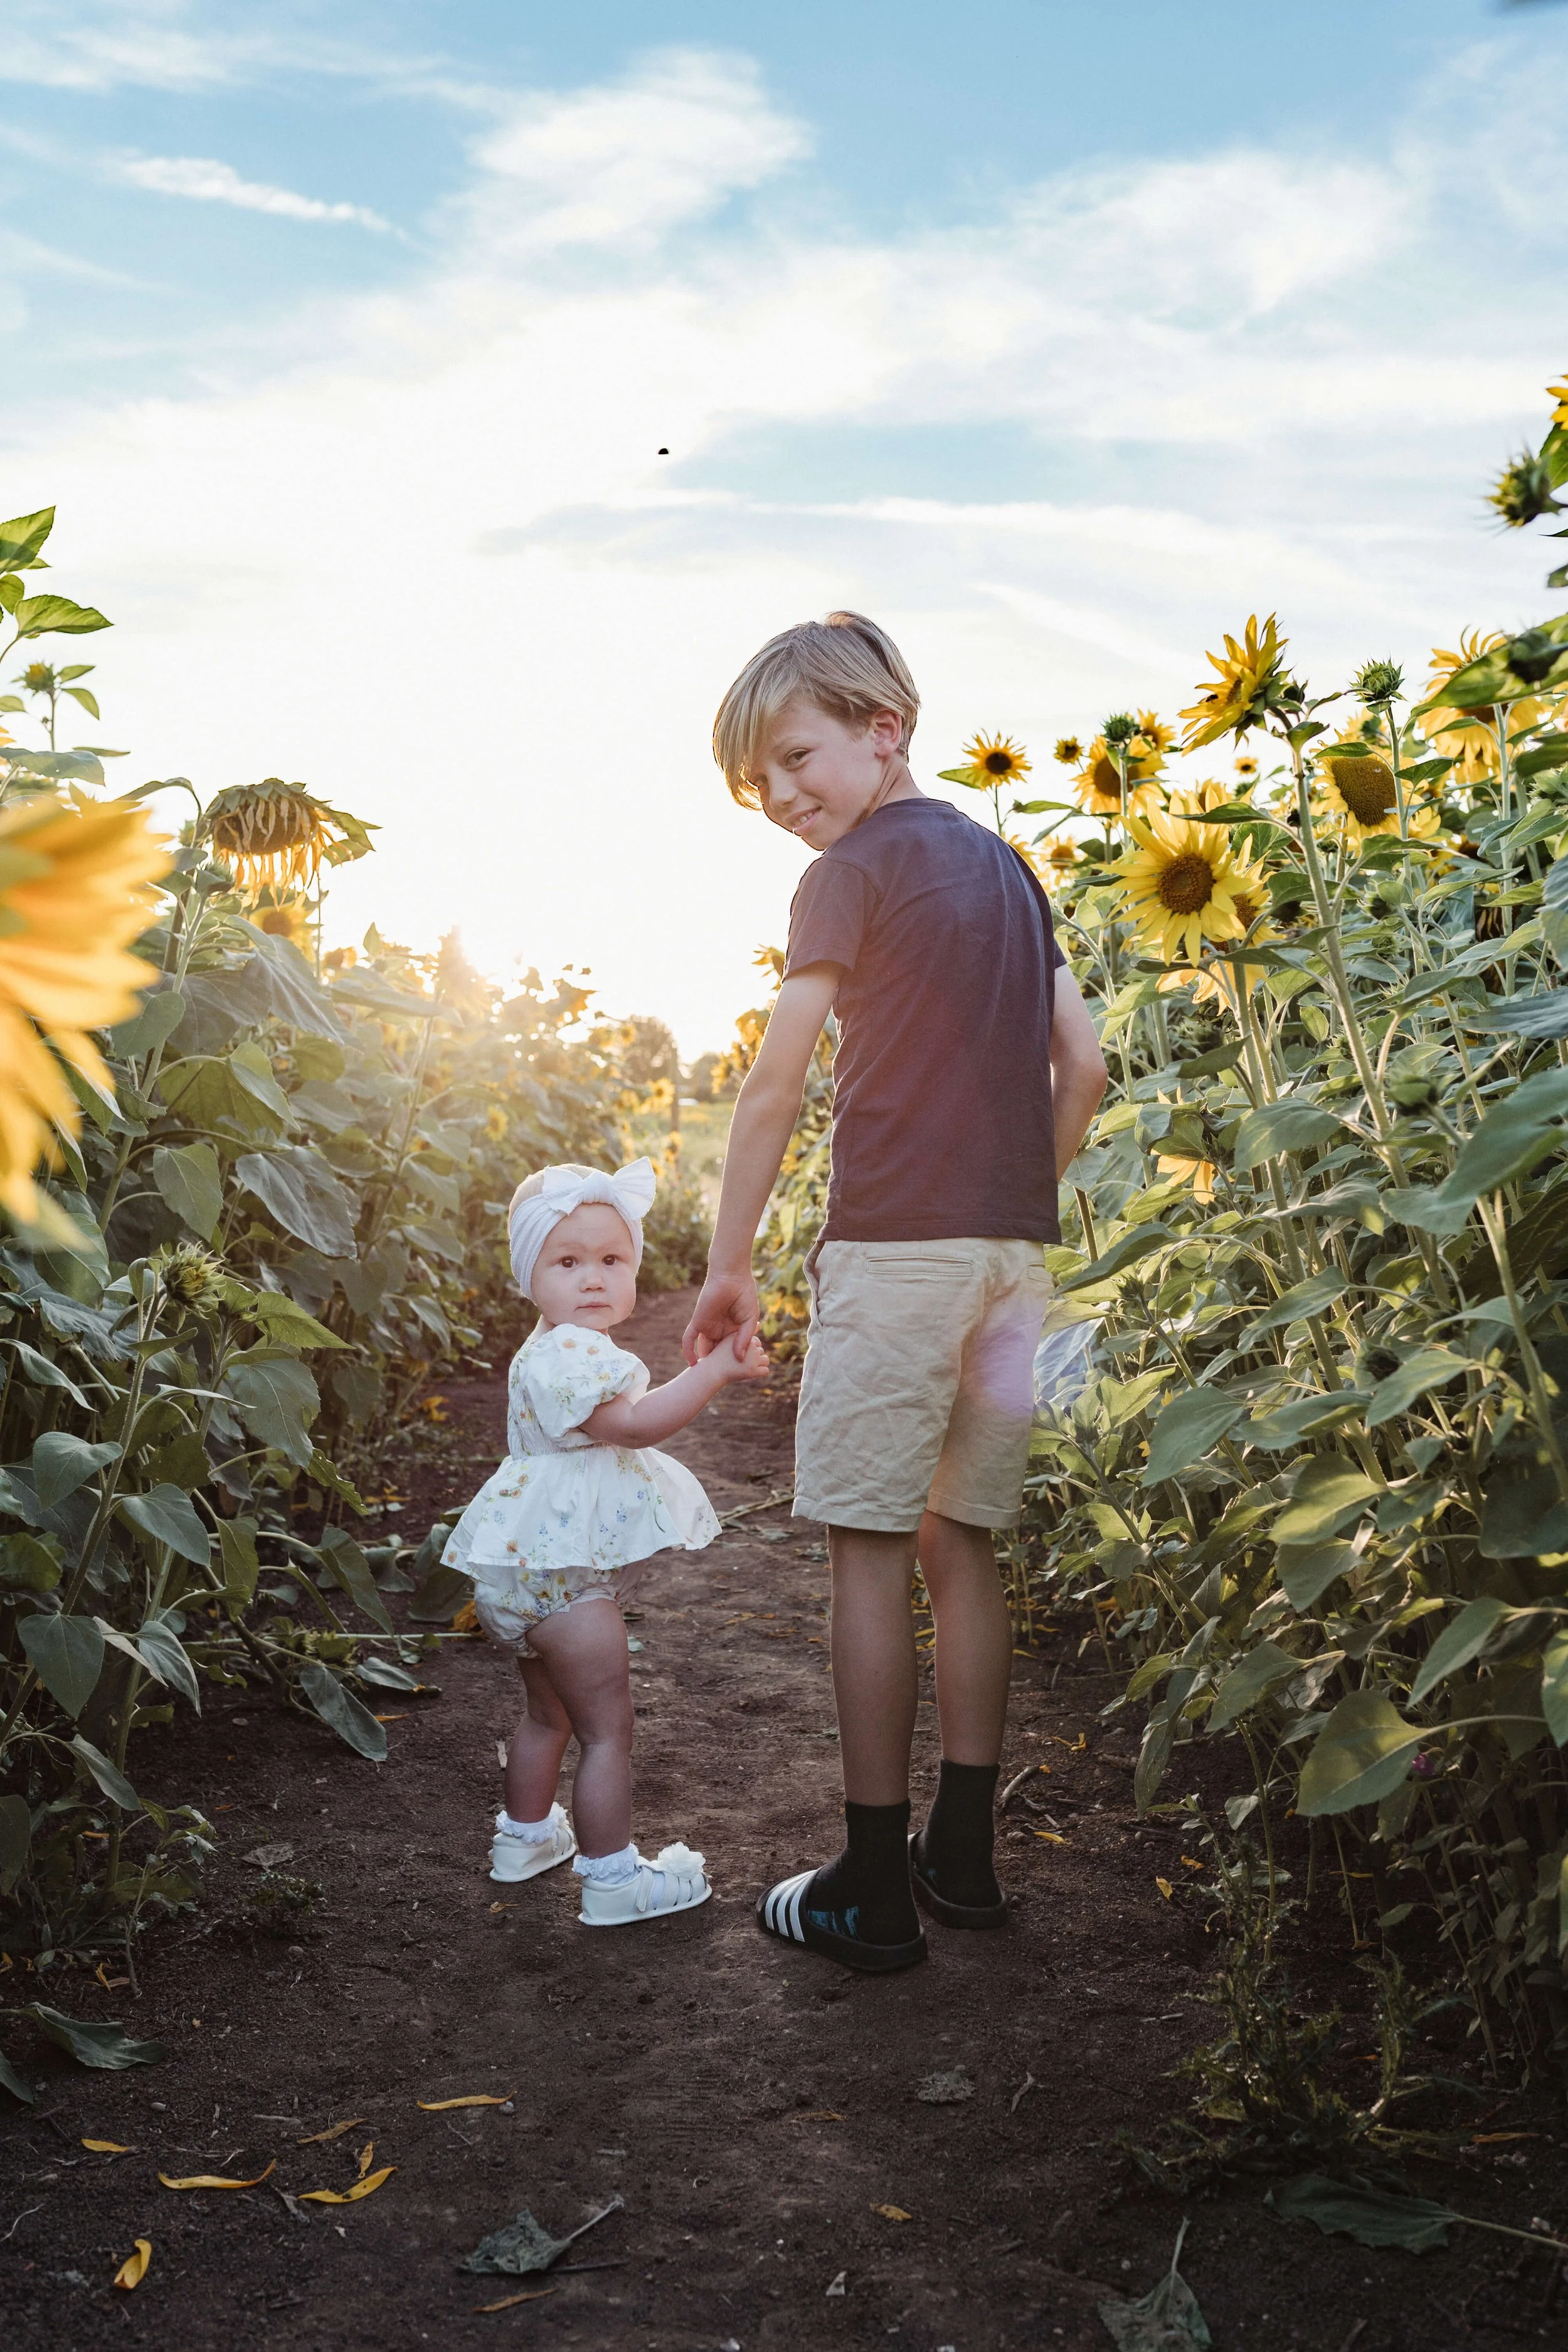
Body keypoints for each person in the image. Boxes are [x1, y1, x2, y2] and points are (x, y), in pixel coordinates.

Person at [686, 612, 1108, 1973]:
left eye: (795, 759)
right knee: (957, 1540)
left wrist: (728, 1262)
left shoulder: (851, 874)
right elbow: (1083, 1069)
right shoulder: (1006, 866)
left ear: (885, 731)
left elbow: (777, 1077)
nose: (783, 800)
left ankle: (868, 1888)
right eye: (759, 788)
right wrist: (1012, 1203)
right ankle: (962, 1861)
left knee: (866, 1549)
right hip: (1006, 1255)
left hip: (892, 1248)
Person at [443, 1158, 769, 1927]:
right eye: (567, 1261)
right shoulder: (578, 1353)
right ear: (531, 1275)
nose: (593, 1279)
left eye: (611, 1260)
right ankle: (615, 1879)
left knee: (547, 1717)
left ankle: (523, 1840)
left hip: (522, 1577)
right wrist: (716, 1373)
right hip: (565, 1582)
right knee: (606, 1730)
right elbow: (632, 1425)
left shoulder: (542, 1349)